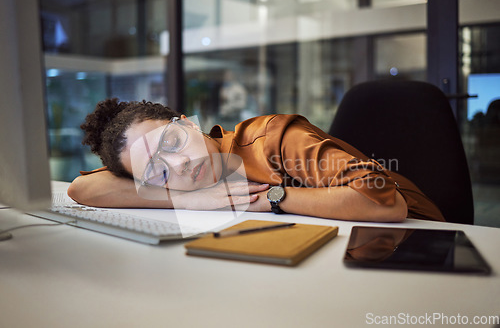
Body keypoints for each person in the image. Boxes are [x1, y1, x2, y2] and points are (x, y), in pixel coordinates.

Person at [68, 98, 445, 222]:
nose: (178, 165)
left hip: (413, 237)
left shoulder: (273, 138)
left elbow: (387, 203)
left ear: (186, 122)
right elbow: (82, 188)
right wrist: (187, 199)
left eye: (172, 141)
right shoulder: (181, 181)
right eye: (157, 172)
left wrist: (272, 198)